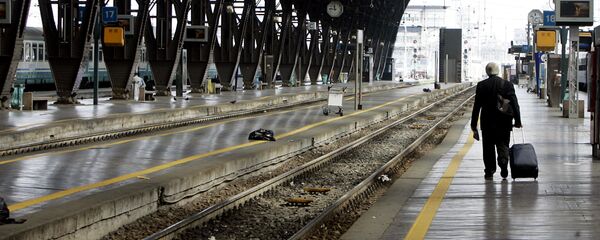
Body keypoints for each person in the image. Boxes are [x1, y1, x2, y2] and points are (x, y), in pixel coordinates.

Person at [471, 62, 522, 180]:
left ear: (487, 71)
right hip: (504, 121)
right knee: (503, 143)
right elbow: (515, 104)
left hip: (487, 122)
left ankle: (489, 171)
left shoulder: (482, 85)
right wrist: (518, 120)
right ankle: (503, 162)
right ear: (498, 71)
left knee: (488, 147)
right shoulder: (507, 85)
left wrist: (474, 126)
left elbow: (476, 106)